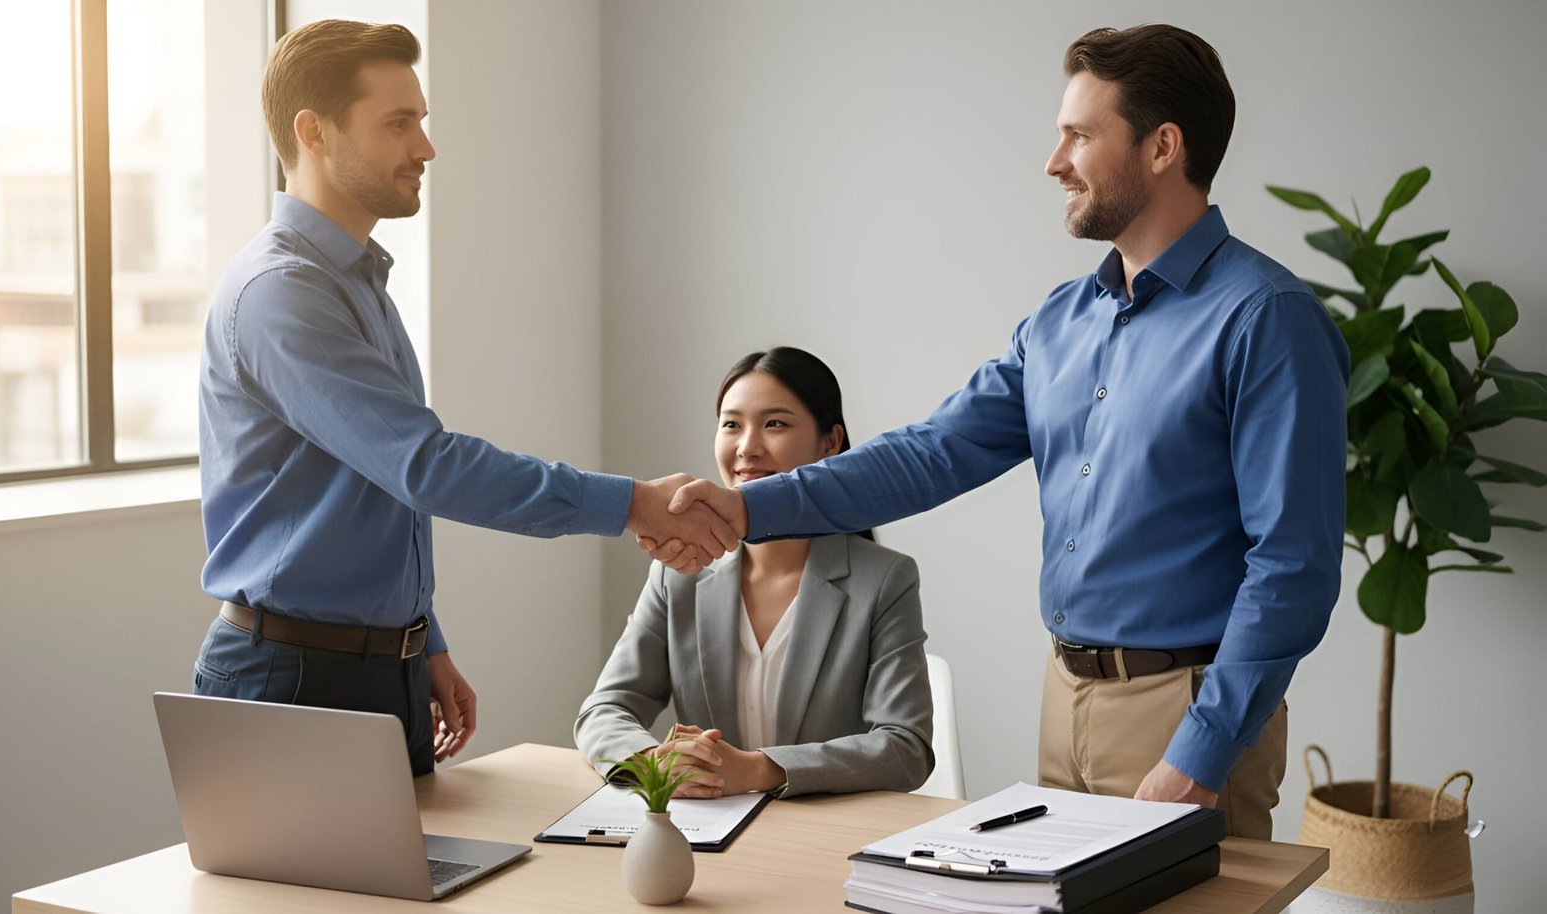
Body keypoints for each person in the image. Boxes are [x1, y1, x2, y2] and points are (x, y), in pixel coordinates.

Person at [650, 25, 1349, 838]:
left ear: (1163, 147)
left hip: (1187, 709)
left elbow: (1293, 567)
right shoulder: (1058, 323)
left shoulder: (1266, 320)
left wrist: (1203, 747)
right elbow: (929, 455)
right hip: (1065, 695)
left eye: (1080, 136)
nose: (1054, 162)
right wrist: (746, 511)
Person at [194, 19, 735, 777]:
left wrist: (421, 640)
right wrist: (634, 502)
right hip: (295, 681)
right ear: (313, 132)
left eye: (422, 120)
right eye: (398, 123)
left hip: (376, 671)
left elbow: (373, 492)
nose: (426, 146)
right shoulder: (281, 293)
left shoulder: (356, 284)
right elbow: (427, 467)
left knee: (415, 893)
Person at [577, 347, 933, 797]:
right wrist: (652, 762)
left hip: (825, 836)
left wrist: (759, 769)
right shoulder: (679, 572)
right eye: (731, 424)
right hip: (703, 834)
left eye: (775, 424)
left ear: (830, 442)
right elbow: (606, 708)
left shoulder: (884, 580)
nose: (747, 447)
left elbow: (905, 748)